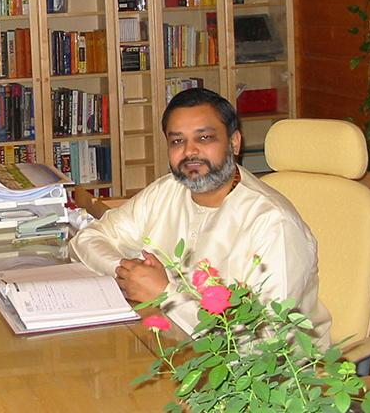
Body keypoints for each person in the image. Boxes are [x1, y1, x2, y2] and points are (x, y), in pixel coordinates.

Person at [70, 88, 331, 349]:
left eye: (204, 138)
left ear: (234, 143)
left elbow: (264, 344)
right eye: (177, 141)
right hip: (174, 350)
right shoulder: (166, 191)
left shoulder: (272, 224)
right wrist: (128, 272)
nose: (189, 152)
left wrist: (166, 295)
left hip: (263, 382)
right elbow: (87, 240)